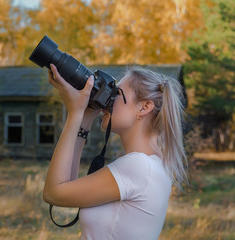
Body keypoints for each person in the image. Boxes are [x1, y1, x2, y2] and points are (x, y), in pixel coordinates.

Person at [43, 63, 187, 240]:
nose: (107, 101)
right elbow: (66, 187)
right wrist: (84, 120)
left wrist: (74, 113)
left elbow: (53, 193)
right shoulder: (153, 164)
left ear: (144, 107)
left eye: (116, 94)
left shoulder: (139, 166)